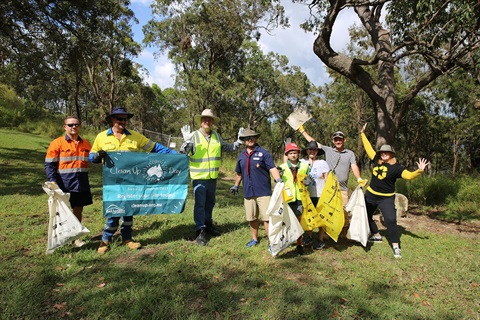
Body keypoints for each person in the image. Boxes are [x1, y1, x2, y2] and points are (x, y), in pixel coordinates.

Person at [89, 107, 176, 255]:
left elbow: (155, 147)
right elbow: (91, 156)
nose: (123, 122)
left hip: (131, 182)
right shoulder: (101, 137)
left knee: (129, 211)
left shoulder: (135, 137)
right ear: (112, 120)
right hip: (113, 182)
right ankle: (105, 241)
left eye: (125, 119)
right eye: (119, 119)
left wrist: (175, 154)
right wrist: (97, 156)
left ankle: (127, 239)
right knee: (113, 211)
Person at [360, 123, 429, 258]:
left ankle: (396, 246)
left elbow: (408, 176)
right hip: (370, 195)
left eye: (387, 152)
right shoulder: (376, 160)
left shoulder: (397, 168)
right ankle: (376, 235)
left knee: (391, 220)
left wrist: (419, 171)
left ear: (391, 154)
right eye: (382, 152)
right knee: (366, 216)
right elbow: (368, 148)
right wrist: (362, 134)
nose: (384, 154)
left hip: (386, 198)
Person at [180, 109, 243, 246]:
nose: (207, 121)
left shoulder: (216, 136)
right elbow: (183, 152)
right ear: (201, 122)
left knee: (210, 203)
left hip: (212, 177)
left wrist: (239, 141)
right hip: (199, 177)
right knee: (200, 204)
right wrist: (186, 143)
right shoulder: (193, 136)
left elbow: (229, 148)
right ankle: (200, 230)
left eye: (209, 119)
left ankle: (208, 225)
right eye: (204, 119)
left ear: (212, 122)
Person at [298, 125, 367, 233]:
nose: (338, 141)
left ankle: (343, 233)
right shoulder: (328, 150)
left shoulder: (350, 153)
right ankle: (327, 232)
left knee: (344, 210)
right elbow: (313, 143)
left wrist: (359, 178)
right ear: (333, 141)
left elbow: (354, 166)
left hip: (343, 188)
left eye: (340, 139)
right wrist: (302, 131)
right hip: (329, 189)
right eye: (336, 139)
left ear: (344, 140)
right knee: (328, 211)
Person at [229, 128, 282, 248]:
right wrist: (236, 185)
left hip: (263, 191)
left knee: (267, 218)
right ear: (244, 140)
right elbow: (239, 173)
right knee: (251, 217)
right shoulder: (241, 156)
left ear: (256, 138)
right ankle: (254, 239)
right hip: (248, 192)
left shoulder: (264, 153)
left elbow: (272, 168)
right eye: (247, 138)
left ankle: (271, 242)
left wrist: (278, 180)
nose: (250, 140)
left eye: (252, 137)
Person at [45, 116, 93, 248]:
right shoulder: (57, 143)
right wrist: (53, 182)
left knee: (78, 210)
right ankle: (62, 236)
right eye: (70, 125)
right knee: (63, 212)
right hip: (63, 183)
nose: (73, 127)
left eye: (76, 124)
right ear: (65, 127)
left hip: (81, 182)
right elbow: (49, 165)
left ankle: (75, 238)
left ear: (79, 126)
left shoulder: (86, 143)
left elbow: (94, 157)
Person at [279, 142, 310, 255]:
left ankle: (299, 243)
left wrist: (307, 181)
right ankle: (284, 240)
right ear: (287, 154)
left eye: (295, 153)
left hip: (300, 197)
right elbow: (278, 181)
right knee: (285, 220)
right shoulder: (282, 167)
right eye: (290, 153)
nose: (293, 155)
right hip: (287, 198)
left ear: (298, 154)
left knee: (298, 220)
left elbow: (308, 179)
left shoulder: (305, 166)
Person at [300, 140, 330, 250]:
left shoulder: (322, 163)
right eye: (310, 149)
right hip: (307, 195)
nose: (312, 151)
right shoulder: (302, 162)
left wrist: (329, 193)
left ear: (317, 151)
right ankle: (309, 235)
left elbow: (327, 178)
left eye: (314, 150)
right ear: (307, 151)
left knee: (321, 216)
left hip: (320, 194)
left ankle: (320, 239)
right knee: (309, 216)